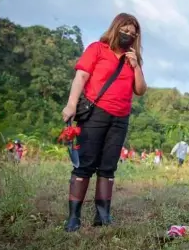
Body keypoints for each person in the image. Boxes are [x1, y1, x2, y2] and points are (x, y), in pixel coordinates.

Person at [61, 12, 147, 232]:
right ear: (115, 28)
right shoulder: (97, 49)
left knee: (108, 167)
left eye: (132, 33)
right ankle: (74, 217)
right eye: (125, 30)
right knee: (85, 164)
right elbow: (81, 77)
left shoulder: (132, 58)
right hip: (95, 113)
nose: (128, 35)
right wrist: (71, 105)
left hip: (120, 118)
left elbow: (140, 90)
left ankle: (103, 215)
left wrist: (136, 65)